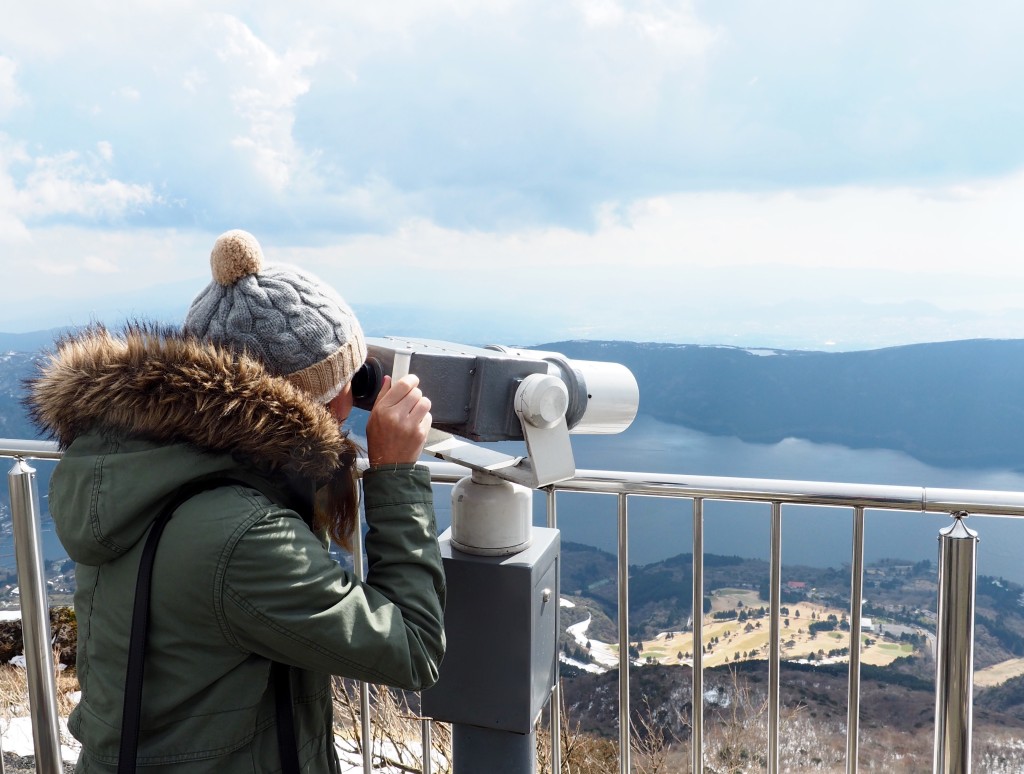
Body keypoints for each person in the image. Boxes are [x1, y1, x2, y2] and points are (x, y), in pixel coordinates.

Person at [27, 229, 445, 772]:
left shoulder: (144, 468)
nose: (360, 390)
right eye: (352, 377)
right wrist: (395, 476)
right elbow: (412, 648)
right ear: (307, 405)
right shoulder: (243, 535)